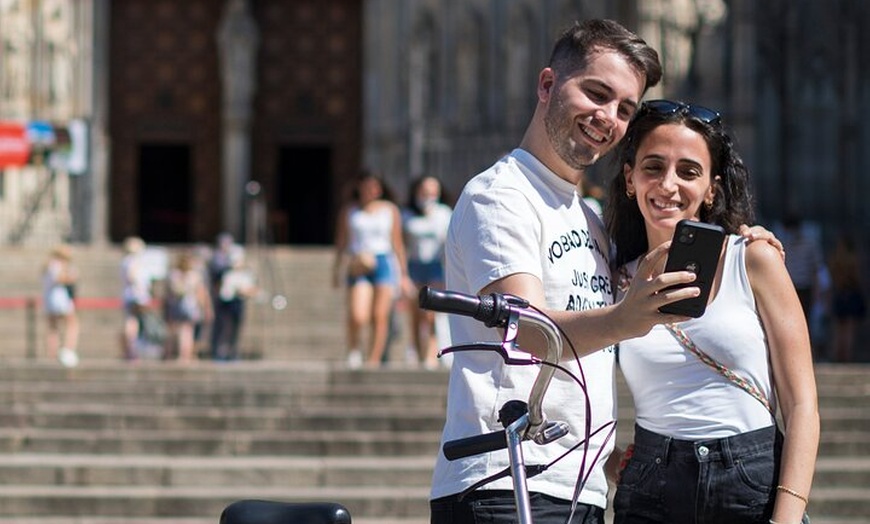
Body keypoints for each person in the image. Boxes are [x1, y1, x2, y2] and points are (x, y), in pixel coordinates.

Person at [431, 19, 782, 524]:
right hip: (506, 482)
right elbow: (527, 331)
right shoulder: (500, 196)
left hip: (579, 488)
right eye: (596, 93)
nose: (608, 118)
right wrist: (630, 318)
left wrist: (740, 237)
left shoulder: (590, 220)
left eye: (624, 109)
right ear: (547, 84)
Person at [606, 99, 819, 523]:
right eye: (653, 167)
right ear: (630, 179)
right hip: (651, 486)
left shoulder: (754, 258)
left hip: (748, 480)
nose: (668, 185)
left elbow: (802, 405)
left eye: (688, 171)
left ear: (712, 188)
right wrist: (616, 464)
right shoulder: (614, 280)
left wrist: (788, 516)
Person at [332, 171, 411, 369]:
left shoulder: (389, 210)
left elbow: (397, 243)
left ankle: (373, 360)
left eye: (374, 187)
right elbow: (342, 242)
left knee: (379, 315)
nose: (370, 191)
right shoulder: (350, 211)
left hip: (383, 260)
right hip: (358, 260)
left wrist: (403, 274)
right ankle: (354, 349)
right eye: (367, 186)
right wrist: (337, 268)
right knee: (358, 314)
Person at [401, 175, 453, 369]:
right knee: (415, 314)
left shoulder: (445, 214)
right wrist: (403, 274)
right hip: (414, 267)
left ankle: (430, 354)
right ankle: (415, 348)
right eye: (425, 191)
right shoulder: (407, 215)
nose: (429, 195)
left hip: (435, 267)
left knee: (430, 314)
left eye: (433, 191)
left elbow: (449, 245)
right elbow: (402, 246)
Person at [164, 250, 212, 363]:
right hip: (191, 306)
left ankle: (178, 354)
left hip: (178, 305)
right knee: (188, 331)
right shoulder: (194, 275)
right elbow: (201, 292)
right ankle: (186, 355)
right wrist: (205, 307)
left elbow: (170, 292)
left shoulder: (174, 274)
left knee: (180, 331)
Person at [211, 248, 257, 361]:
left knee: (236, 329)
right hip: (225, 304)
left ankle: (233, 352)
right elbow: (218, 288)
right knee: (225, 328)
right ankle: (221, 352)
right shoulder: (225, 273)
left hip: (238, 303)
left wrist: (243, 291)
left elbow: (251, 289)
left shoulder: (246, 274)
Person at [827, 233, 866, 362]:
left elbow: (831, 276)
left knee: (838, 329)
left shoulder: (836, 259)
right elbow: (856, 277)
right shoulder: (852, 259)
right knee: (849, 329)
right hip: (850, 292)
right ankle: (846, 356)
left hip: (839, 292)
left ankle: (837, 355)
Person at [41, 244, 80, 367]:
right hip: (59, 299)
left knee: (53, 327)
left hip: (49, 299)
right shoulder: (56, 264)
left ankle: (51, 354)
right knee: (72, 324)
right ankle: (68, 349)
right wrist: (71, 277)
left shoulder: (47, 265)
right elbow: (59, 278)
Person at [120, 236, 153, 360]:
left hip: (129, 294)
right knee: (133, 322)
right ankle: (131, 348)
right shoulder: (133, 261)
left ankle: (130, 348)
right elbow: (134, 278)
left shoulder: (124, 261)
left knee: (132, 321)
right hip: (136, 295)